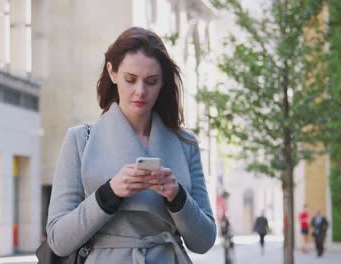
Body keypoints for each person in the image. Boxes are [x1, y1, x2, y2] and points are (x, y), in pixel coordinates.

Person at [46, 27, 216, 263]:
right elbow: (58, 239)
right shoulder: (80, 140)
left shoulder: (185, 144)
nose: (140, 91)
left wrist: (177, 197)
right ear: (112, 73)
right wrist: (109, 193)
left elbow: (205, 240)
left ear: (163, 82)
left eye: (151, 81)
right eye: (130, 79)